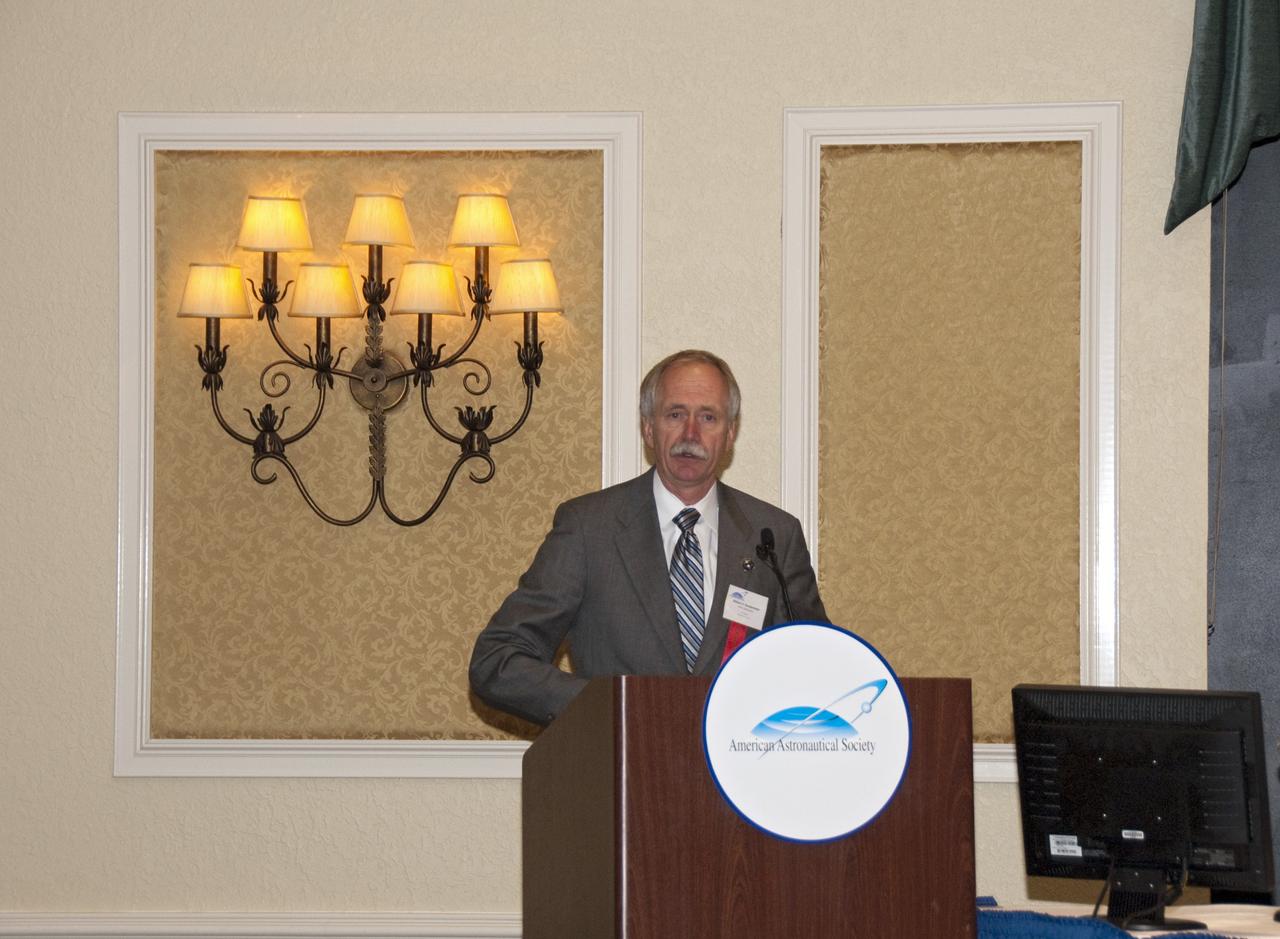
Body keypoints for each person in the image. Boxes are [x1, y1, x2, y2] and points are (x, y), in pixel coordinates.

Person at [469, 349, 826, 725]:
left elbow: (815, 665)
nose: (691, 434)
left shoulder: (773, 535)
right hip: (621, 768)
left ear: (731, 433)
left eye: (708, 417)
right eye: (675, 414)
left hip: (738, 773)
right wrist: (608, 707)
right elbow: (498, 659)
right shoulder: (590, 528)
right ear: (648, 428)